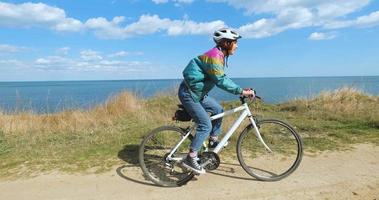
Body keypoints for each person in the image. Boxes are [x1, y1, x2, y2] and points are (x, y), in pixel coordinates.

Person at [178, 28, 255, 174]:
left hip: (198, 93)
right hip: (189, 93)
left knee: (218, 110)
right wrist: (241, 91)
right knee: (204, 125)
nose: (237, 46)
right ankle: (191, 157)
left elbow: (222, 77)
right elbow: (220, 80)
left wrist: (240, 89)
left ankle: (213, 141)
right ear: (226, 43)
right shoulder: (214, 56)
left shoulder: (218, 56)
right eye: (235, 42)